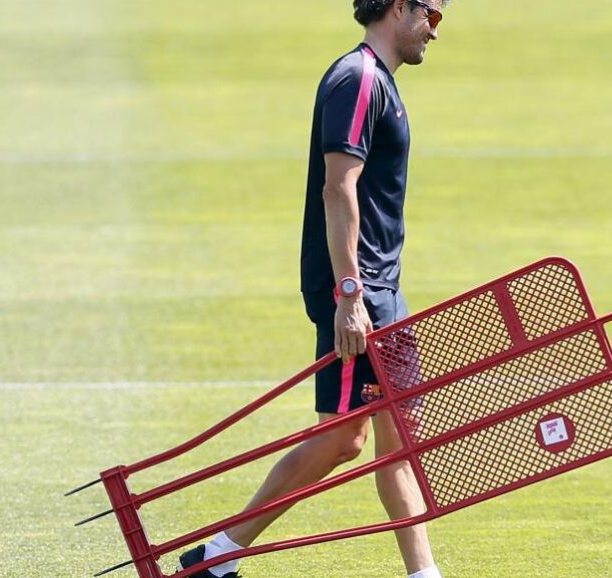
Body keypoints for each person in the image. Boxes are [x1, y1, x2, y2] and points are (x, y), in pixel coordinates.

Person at [177, 1, 447, 577]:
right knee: (345, 437)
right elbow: (338, 188)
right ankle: (217, 556)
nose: (435, 31)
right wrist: (349, 293)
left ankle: (423, 574)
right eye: (433, 15)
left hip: (381, 287)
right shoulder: (357, 80)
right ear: (399, 7)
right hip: (358, 289)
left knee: (400, 439)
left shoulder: (379, 83)